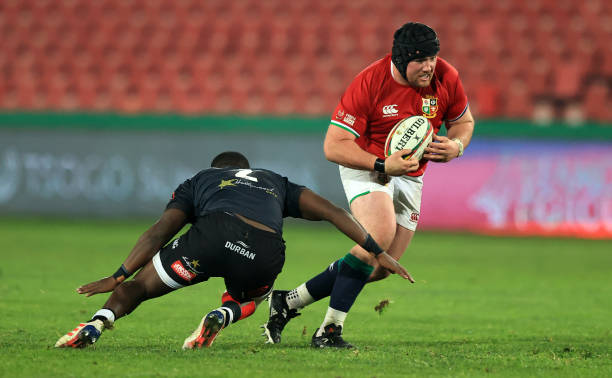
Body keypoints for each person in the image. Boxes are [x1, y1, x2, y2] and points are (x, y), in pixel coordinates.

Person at [54, 151, 411, 349]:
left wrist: (118, 275)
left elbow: (158, 232)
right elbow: (335, 213)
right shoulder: (275, 181)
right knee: (251, 298)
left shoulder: (200, 181)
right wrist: (378, 251)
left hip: (210, 237)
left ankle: (96, 324)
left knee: (140, 288)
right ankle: (223, 315)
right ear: (247, 168)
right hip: (263, 250)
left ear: (217, 170)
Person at [262, 22, 475, 348]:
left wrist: (456, 146)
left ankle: (289, 302)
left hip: (412, 176)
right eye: (420, 60)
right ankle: (329, 331)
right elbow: (334, 145)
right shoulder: (370, 82)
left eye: (433, 57)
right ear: (401, 58)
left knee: (379, 266)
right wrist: (380, 164)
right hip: (369, 166)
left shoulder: (446, 76)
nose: (429, 66)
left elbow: (463, 122)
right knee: (379, 234)